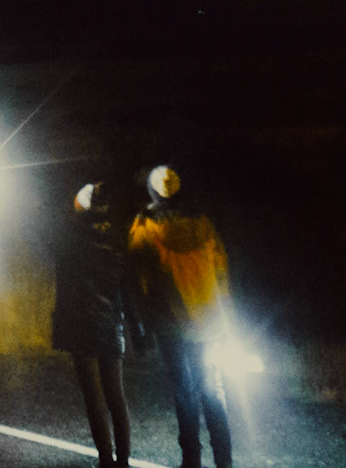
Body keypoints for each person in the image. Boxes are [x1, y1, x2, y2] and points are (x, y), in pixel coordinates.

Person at [127, 165, 233, 468]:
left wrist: (141, 323)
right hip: (209, 323)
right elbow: (221, 270)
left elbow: (136, 279)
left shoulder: (145, 228)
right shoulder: (203, 224)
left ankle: (191, 460)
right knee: (212, 391)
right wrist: (225, 315)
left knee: (184, 393)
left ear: (152, 192)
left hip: (171, 324)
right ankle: (224, 460)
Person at [53, 180, 135, 468]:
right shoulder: (116, 239)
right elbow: (125, 285)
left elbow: (65, 283)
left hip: (82, 323)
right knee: (116, 396)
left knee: (94, 397)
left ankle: (106, 459)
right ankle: (123, 460)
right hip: (111, 322)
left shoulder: (71, 240)